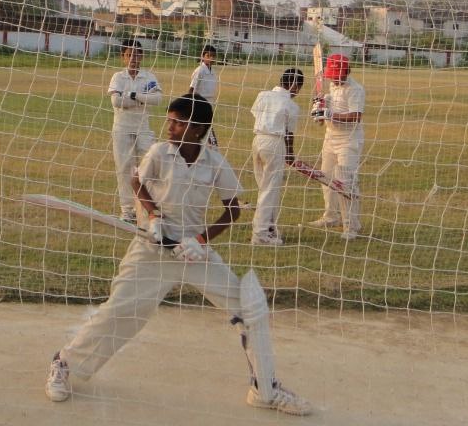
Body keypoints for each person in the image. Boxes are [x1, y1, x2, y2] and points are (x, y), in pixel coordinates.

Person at [44, 95, 313, 416]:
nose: (169, 127)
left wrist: (200, 240)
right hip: (151, 250)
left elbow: (233, 210)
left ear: (198, 129)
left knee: (248, 309)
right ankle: (64, 363)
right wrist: (154, 216)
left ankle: (265, 388)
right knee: (120, 312)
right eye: (169, 120)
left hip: (193, 253)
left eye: (178, 121)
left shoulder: (214, 161)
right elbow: (136, 181)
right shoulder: (159, 152)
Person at [307, 54, 365, 240]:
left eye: (337, 74)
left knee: (345, 181)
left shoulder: (356, 89)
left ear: (346, 71)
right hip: (330, 138)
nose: (333, 78)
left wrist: (331, 114)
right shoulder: (331, 86)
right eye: (331, 74)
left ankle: (351, 225)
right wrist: (319, 112)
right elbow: (323, 120)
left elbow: (356, 116)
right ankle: (331, 216)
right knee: (326, 177)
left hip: (349, 140)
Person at [108, 39, 163, 222]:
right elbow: (116, 102)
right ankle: (127, 210)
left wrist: (131, 96)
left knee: (150, 166)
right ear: (123, 57)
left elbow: (157, 100)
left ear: (142, 56)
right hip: (122, 128)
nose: (133, 58)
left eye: (136, 54)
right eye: (129, 54)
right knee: (125, 168)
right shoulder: (118, 77)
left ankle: (150, 208)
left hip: (143, 128)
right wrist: (142, 99)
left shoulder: (149, 77)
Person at [249, 68, 304, 245]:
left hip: (257, 141)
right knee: (269, 190)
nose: (297, 92)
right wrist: (290, 154)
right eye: (298, 87)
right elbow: (289, 133)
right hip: (274, 143)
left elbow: (256, 114)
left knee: (264, 188)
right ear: (294, 85)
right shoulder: (291, 105)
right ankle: (261, 234)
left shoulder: (262, 95)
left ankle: (268, 228)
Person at [187, 44, 221, 146]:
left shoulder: (213, 72)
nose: (211, 58)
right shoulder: (199, 71)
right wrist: (190, 106)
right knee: (209, 135)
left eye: (213, 56)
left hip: (209, 105)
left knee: (201, 133)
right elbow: (191, 89)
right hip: (200, 105)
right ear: (203, 56)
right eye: (208, 56)